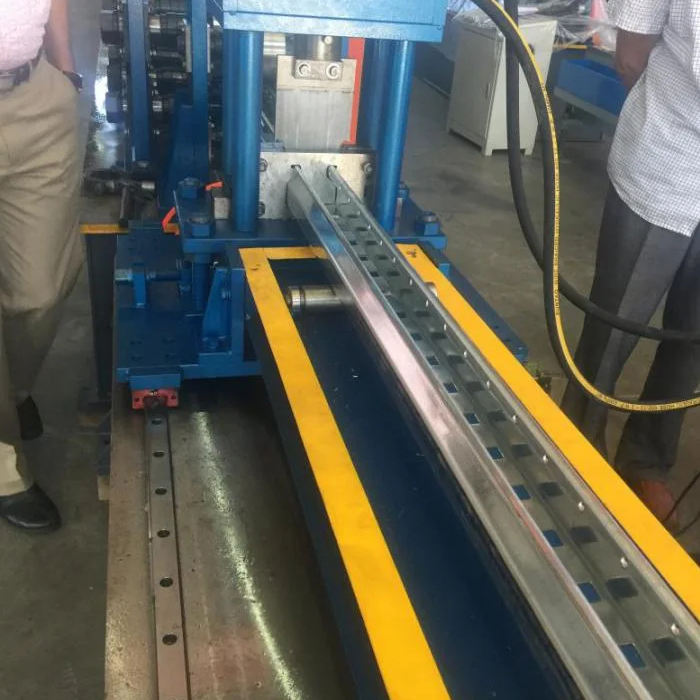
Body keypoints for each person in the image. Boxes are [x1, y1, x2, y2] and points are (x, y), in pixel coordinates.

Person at [561, 0, 700, 526]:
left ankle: (646, 460)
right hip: (665, 161)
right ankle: (578, 441)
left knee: (692, 341)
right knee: (617, 322)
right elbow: (631, 55)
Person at [0, 0, 84, 531]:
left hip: (35, 93)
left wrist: (66, 69)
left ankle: (14, 391)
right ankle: (4, 468)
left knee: (41, 289)